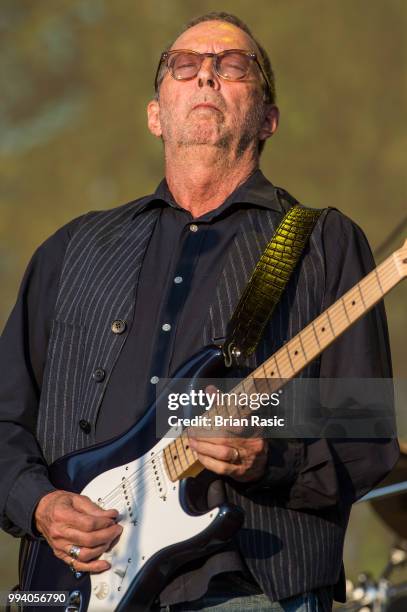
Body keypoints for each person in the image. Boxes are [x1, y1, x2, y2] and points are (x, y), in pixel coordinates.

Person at [0, 11, 399, 612]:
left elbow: (365, 437)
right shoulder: (73, 249)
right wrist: (39, 503)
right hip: (66, 586)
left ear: (268, 118)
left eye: (234, 66)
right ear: (155, 114)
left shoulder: (321, 242)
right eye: (183, 65)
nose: (207, 74)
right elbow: (5, 420)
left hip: (245, 588)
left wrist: (270, 457)